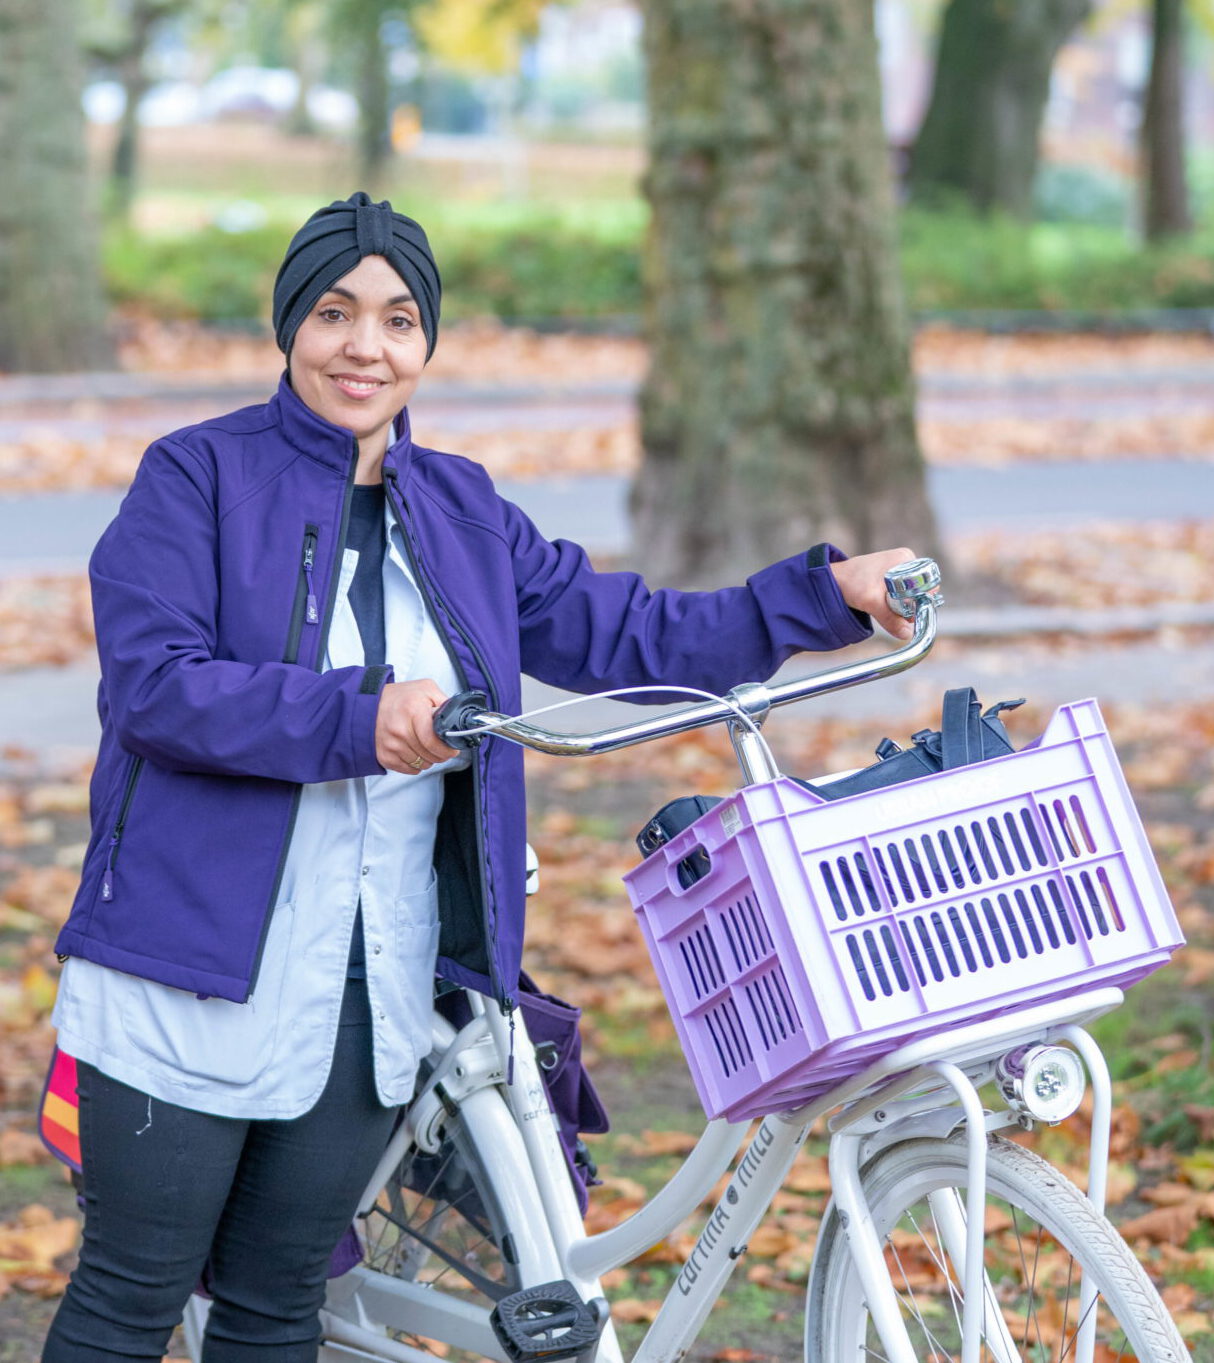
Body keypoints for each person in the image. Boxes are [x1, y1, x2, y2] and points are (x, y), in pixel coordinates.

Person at [42, 191, 917, 1362]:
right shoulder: (194, 478)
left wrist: (821, 595)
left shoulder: (457, 507)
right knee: (130, 1300)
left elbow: (623, 633)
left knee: (273, 1301)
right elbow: (156, 686)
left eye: (401, 320)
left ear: (427, 343)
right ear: (290, 323)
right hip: (187, 960)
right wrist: (362, 719)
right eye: (337, 313)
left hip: (375, 968)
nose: (367, 345)